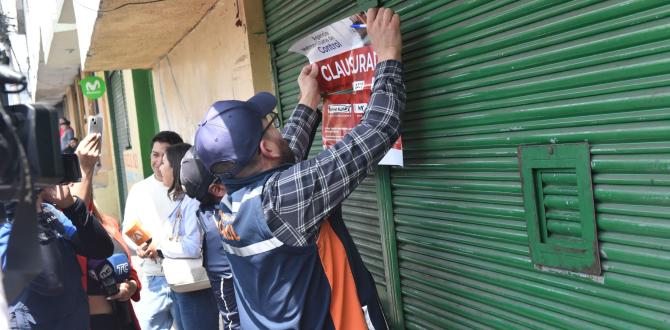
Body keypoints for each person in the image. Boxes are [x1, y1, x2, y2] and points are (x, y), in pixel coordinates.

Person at [193, 7, 403, 329]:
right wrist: (387, 55)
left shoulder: (230, 205)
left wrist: (307, 101)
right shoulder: (281, 199)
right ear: (265, 146)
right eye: (271, 124)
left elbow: (281, 158)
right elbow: (378, 129)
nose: (277, 128)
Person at [0, 183, 114, 329]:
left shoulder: (49, 211)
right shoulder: (4, 227)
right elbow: (51, 281)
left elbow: (101, 249)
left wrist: (72, 207)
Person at [69, 133, 142, 330]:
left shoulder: (109, 224)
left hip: (121, 319)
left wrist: (130, 287)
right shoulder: (64, 230)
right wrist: (85, 169)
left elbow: (131, 273)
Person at [121, 131, 183, 330]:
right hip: (152, 280)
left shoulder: (189, 189)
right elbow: (130, 226)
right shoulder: (140, 190)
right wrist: (145, 244)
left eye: (163, 155)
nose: (158, 161)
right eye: (154, 155)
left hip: (185, 278)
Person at [157, 143, 219, 330]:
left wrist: (162, 245)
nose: (159, 167)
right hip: (182, 285)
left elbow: (192, 246)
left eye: (164, 163)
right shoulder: (182, 200)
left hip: (195, 287)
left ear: (175, 168)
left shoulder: (192, 202)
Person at [180, 148, 239, 329]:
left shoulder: (210, 212)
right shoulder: (226, 222)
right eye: (230, 167)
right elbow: (232, 319)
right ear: (218, 188)